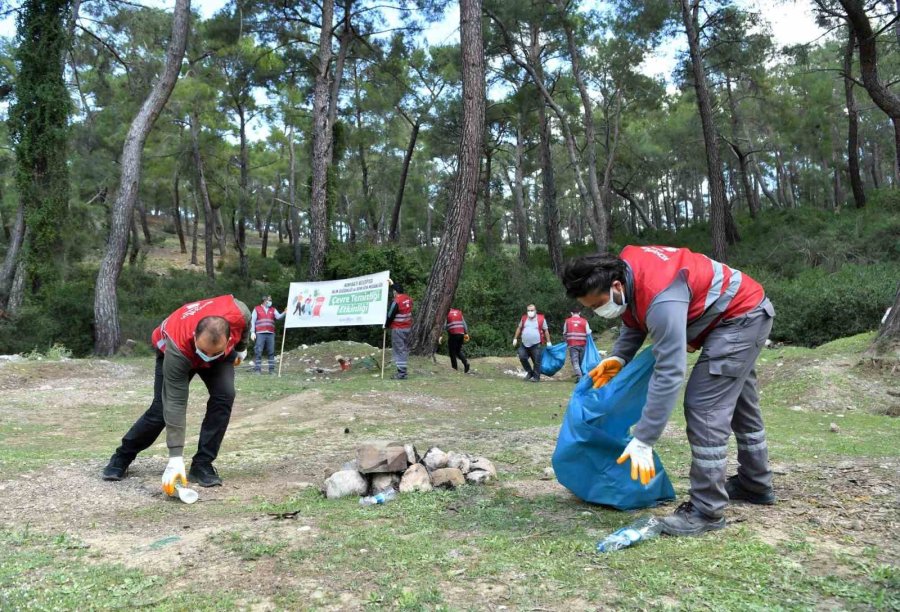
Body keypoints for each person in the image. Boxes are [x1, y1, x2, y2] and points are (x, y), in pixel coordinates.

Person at [562, 246, 775, 536]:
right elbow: (635, 315)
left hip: (740, 317)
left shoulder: (662, 296)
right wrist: (619, 357)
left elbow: (670, 371)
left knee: (704, 405)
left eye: (598, 304)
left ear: (615, 286)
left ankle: (706, 511)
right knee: (739, 402)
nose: (598, 311)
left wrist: (643, 439)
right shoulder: (626, 269)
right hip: (735, 313)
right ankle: (755, 483)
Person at [101, 295, 251, 491]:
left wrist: (240, 349)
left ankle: (202, 465)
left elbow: (246, 326)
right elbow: (176, 402)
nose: (209, 358)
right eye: (206, 351)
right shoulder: (178, 344)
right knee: (161, 409)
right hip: (177, 354)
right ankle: (122, 456)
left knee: (224, 396)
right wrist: (175, 457)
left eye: (215, 353)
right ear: (195, 336)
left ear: (229, 337)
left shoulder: (239, 312)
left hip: (216, 349)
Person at [513, 304, 551, 382]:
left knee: (537, 361)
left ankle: (536, 377)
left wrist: (549, 342)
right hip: (524, 344)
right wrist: (515, 338)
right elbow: (519, 328)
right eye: (528, 310)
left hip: (536, 344)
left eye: (532, 310)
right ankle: (530, 372)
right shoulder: (524, 318)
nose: (530, 312)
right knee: (522, 356)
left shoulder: (541, 319)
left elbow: (546, 330)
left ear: (535, 310)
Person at [250, 294, 285, 374]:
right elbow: (252, 321)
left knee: (271, 351)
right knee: (258, 351)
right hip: (260, 333)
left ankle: (271, 370)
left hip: (270, 333)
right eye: (269, 300)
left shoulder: (273, 309)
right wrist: (252, 332)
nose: (270, 301)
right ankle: (257, 370)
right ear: (265, 301)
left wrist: (285, 312)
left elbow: (279, 317)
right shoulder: (257, 309)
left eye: (270, 300)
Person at [385, 280, 413, 380]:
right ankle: (403, 372)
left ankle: (401, 374)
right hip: (408, 328)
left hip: (398, 329)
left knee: (399, 350)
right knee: (404, 350)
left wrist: (386, 325)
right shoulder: (408, 299)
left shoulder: (396, 301)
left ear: (395, 292)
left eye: (393, 291)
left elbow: (390, 315)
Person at [563, 309, 592, 383]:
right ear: (579, 313)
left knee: (575, 361)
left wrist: (566, 341)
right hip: (582, 344)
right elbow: (588, 332)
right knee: (581, 361)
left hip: (572, 344)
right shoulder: (584, 321)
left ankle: (579, 377)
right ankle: (582, 375)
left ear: (571, 312)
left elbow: (564, 332)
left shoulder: (567, 321)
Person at [443, 307, 470, 373]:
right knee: (458, 351)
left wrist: (442, 332)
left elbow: (444, 326)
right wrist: (466, 333)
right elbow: (464, 324)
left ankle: (454, 368)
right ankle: (466, 363)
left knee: (452, 352)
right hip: (461, 334)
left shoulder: (446, 314)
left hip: (453, 334)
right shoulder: (458, 312)